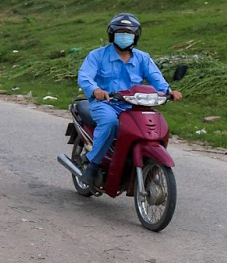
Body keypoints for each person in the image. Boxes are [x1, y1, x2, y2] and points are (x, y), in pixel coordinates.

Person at [76, 13, 182, 185]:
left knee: (152, 125)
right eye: (121, 32)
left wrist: (169, 91)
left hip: (134, 105)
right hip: (106, 103)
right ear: (112, 34)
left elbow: (156, 78)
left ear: (136, 36)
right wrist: (95, 89)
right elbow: (85, 75)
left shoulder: (143, 58)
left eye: (129, 32)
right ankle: (93, 164)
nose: (125, 36)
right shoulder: (97, 55)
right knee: (111, 122)